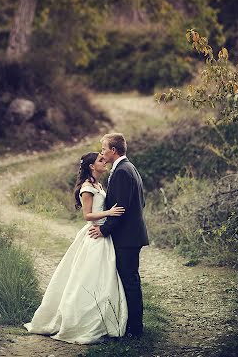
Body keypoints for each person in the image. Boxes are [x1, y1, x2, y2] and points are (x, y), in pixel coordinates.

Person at [24, 152, 128, 344]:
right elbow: (87, 215)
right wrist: (110, 212)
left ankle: (105, 318)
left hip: (103, 233)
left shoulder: (97, 184)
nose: (104, 161)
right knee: (88, 276)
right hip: (94, 233)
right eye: (100, 160)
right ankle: (79, 320)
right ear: (91, 166)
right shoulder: (87, 188)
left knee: (103, 276)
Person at [89, 132, 149, 338]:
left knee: (129, 280)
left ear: (113, 150)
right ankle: (130, 324)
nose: (102, 152)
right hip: (130, 235)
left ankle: (135, 329)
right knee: (129, 279)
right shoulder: (128, 167)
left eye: (104, 148)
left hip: (127, 237)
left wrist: (104, 229)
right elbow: (140, 203)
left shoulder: (123, 171)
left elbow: (121, 207)